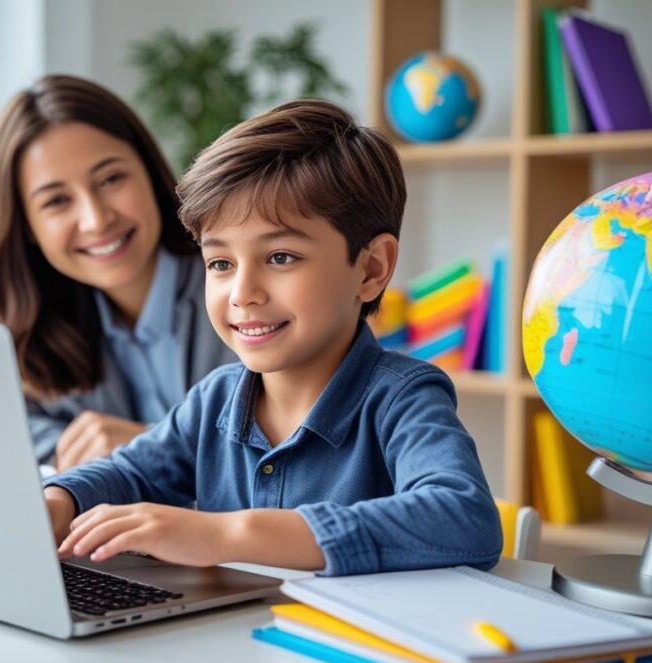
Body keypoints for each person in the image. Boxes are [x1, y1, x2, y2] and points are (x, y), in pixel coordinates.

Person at [42, 99, 502, 576]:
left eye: (280, 257)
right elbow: (128, 473)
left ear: (371, 269)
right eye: (221, 263)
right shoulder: (214, 400)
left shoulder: (401, 398)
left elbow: (465, 518)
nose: (243, 293)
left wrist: (226, 535)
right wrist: (58, 500)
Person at [0, 75, 235, 471]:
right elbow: (11, 432)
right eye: (57, 201)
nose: (96, 219)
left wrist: (149, 446)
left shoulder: (240, 289)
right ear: (26, 226)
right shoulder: (39, 331)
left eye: (111, 179)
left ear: (148, 171)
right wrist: (72, 448)